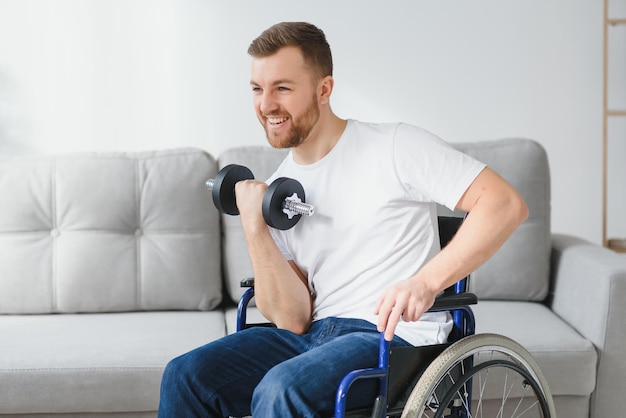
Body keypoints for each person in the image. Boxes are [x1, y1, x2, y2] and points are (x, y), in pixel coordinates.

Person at [158, 21, 528, 418]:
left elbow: (505, 204)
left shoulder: (394, 146)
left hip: (392, 337)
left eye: (282, 88)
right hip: (315, 337)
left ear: (323, 89)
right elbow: (292, 319)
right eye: (257, 89)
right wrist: (253, 225)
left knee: (281, 389)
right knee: (185, 375)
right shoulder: (281, 191)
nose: (266, 104)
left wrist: (425, 282)